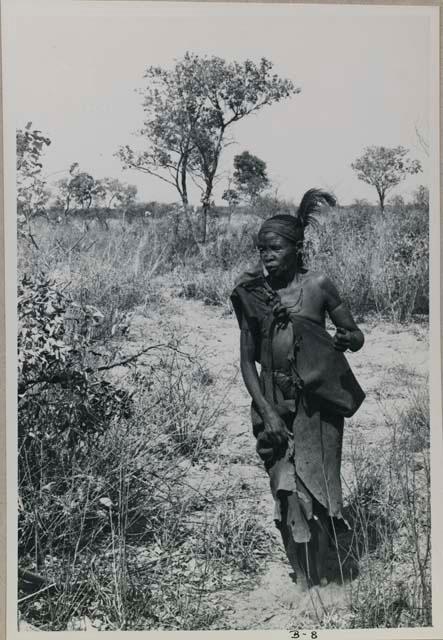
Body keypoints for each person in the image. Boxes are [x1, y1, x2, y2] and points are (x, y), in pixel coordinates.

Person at [230, 189, 365, 589]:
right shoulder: (251, 294)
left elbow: (355, 335)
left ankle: (328, 578)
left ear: (297, 248)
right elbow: (246, 361)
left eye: (274, 248)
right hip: (272, 403)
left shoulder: (319, 285)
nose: (266, 256)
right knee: (286, 491)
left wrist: (346, 339)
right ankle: (304, 582)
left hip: (318, 406)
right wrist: (268, 412)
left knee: (319, 493)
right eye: (261, 249)